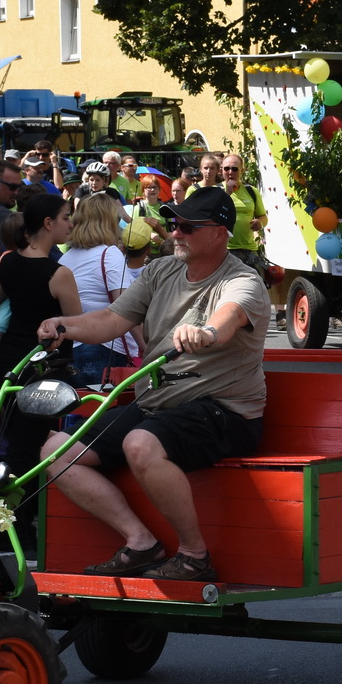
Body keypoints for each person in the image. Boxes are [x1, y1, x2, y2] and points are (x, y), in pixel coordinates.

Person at [36, 186, 270, 583]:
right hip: (159, 406)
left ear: (220, 233)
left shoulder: (243, 281)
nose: (175, 232)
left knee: (139, 443)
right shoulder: (162, 270)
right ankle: (141, 541)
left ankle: (195, 556)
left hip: (224, 411)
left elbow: (228, 318)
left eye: (188, 227)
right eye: (174, 223)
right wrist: (65, 325)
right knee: (55, 451)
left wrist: (207, 333)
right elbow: (111, 320)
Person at [0, 194, 83, 467]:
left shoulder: (9, 263)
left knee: (19, 437)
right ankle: (21, 506)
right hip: (43, 367)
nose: (71, 224)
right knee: (30, 447)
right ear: (48, 223)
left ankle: (14, 504)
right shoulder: (59, 274)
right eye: (66, 217)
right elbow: (77, 324)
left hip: (9, 361)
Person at [60, 193, 138, 385]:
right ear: (109, 221)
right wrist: (146, 344)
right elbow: (128, 308)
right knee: (104, 412)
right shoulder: (109, 254)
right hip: (107, 347)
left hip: (72, 346)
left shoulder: (65, 259)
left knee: (78, 411)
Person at [222, 153, 270, 280]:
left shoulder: (251, 191)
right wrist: (227, 192)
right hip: (224, 250)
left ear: (242, 171)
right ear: (222, 170)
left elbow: (263, 217)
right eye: (226, 168)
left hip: (248, 250)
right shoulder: (216, 191)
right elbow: (213, 215)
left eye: (234, 169)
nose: (230, 172)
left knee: (254, 287)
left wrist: (260, 223)